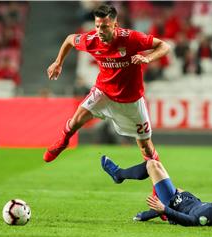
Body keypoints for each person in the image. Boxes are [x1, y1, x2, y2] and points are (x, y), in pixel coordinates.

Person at [43, 4, 170, 164]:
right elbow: (69, 39)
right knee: (75, 121)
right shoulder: (92, 40)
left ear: (115, 25)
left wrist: (148, 58)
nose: (100, 31)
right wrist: (58, 62)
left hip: (131, 100)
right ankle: (62, 143)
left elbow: (164, 46)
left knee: (146, 148)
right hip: (103, 93)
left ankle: (157, 186)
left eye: (104, 27)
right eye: (97, 26)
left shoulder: (131, 38)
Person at [101, 156, 212, 227]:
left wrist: (165, 209)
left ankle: (118, 174)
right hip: (192, 200)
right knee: (178, 189)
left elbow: (190, 221)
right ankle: (149, 214)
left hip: (177, 205)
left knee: (153, 165)